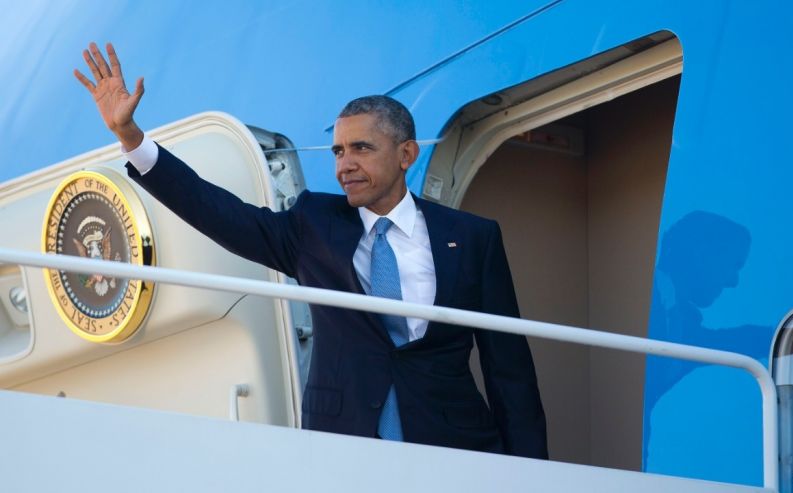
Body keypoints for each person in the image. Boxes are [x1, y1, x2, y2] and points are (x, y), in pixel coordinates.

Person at [75, 42, 548, 459]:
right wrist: (133, 139)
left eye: (361, 148)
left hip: (453, 445)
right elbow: (218, 212)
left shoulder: (472, 236)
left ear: (406, 155)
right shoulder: (314, 224)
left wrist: (534, 476)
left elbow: (509, 371)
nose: (345, 165)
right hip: (344, 445)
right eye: (339, 151)